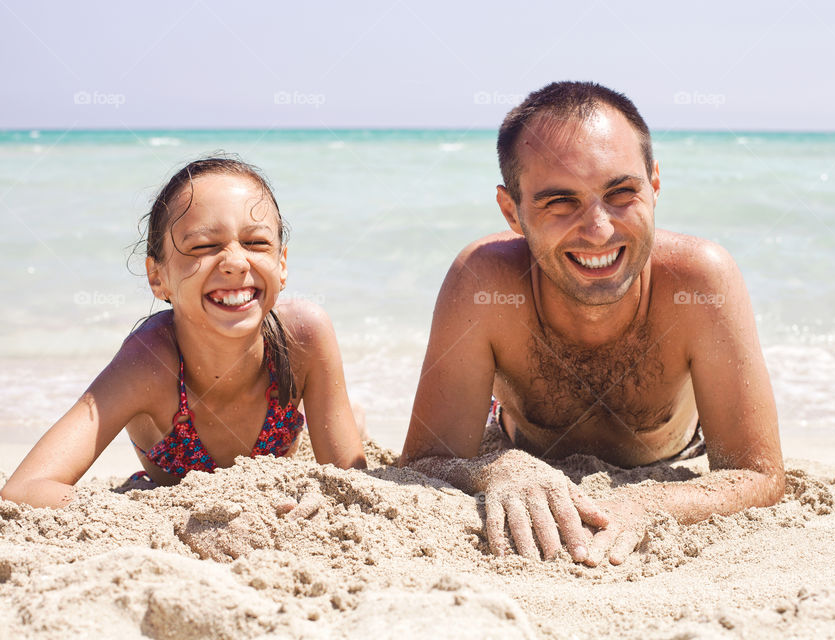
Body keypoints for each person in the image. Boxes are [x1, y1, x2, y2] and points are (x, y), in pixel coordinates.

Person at [399, 82, 784, 566]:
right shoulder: (482, 281)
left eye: (621, 193)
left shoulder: (701, 279)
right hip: (521, 442)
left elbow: (760, 474)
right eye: (560, 202)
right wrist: (499, 469)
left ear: (655, 185)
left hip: (678, 455)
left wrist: (648, 501)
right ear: (512, 211)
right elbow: (421, 463)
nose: (599, 230)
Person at [0, 156, 366, 508]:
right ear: (158, 278)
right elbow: (25, 489)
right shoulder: (147, 362)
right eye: (204, 246)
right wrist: (160, 514)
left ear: (281, 265)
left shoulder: (304, 336)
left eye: (256, 243)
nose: (236, 263)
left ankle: (355, 416)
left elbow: (352, 484)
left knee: (351, 419)